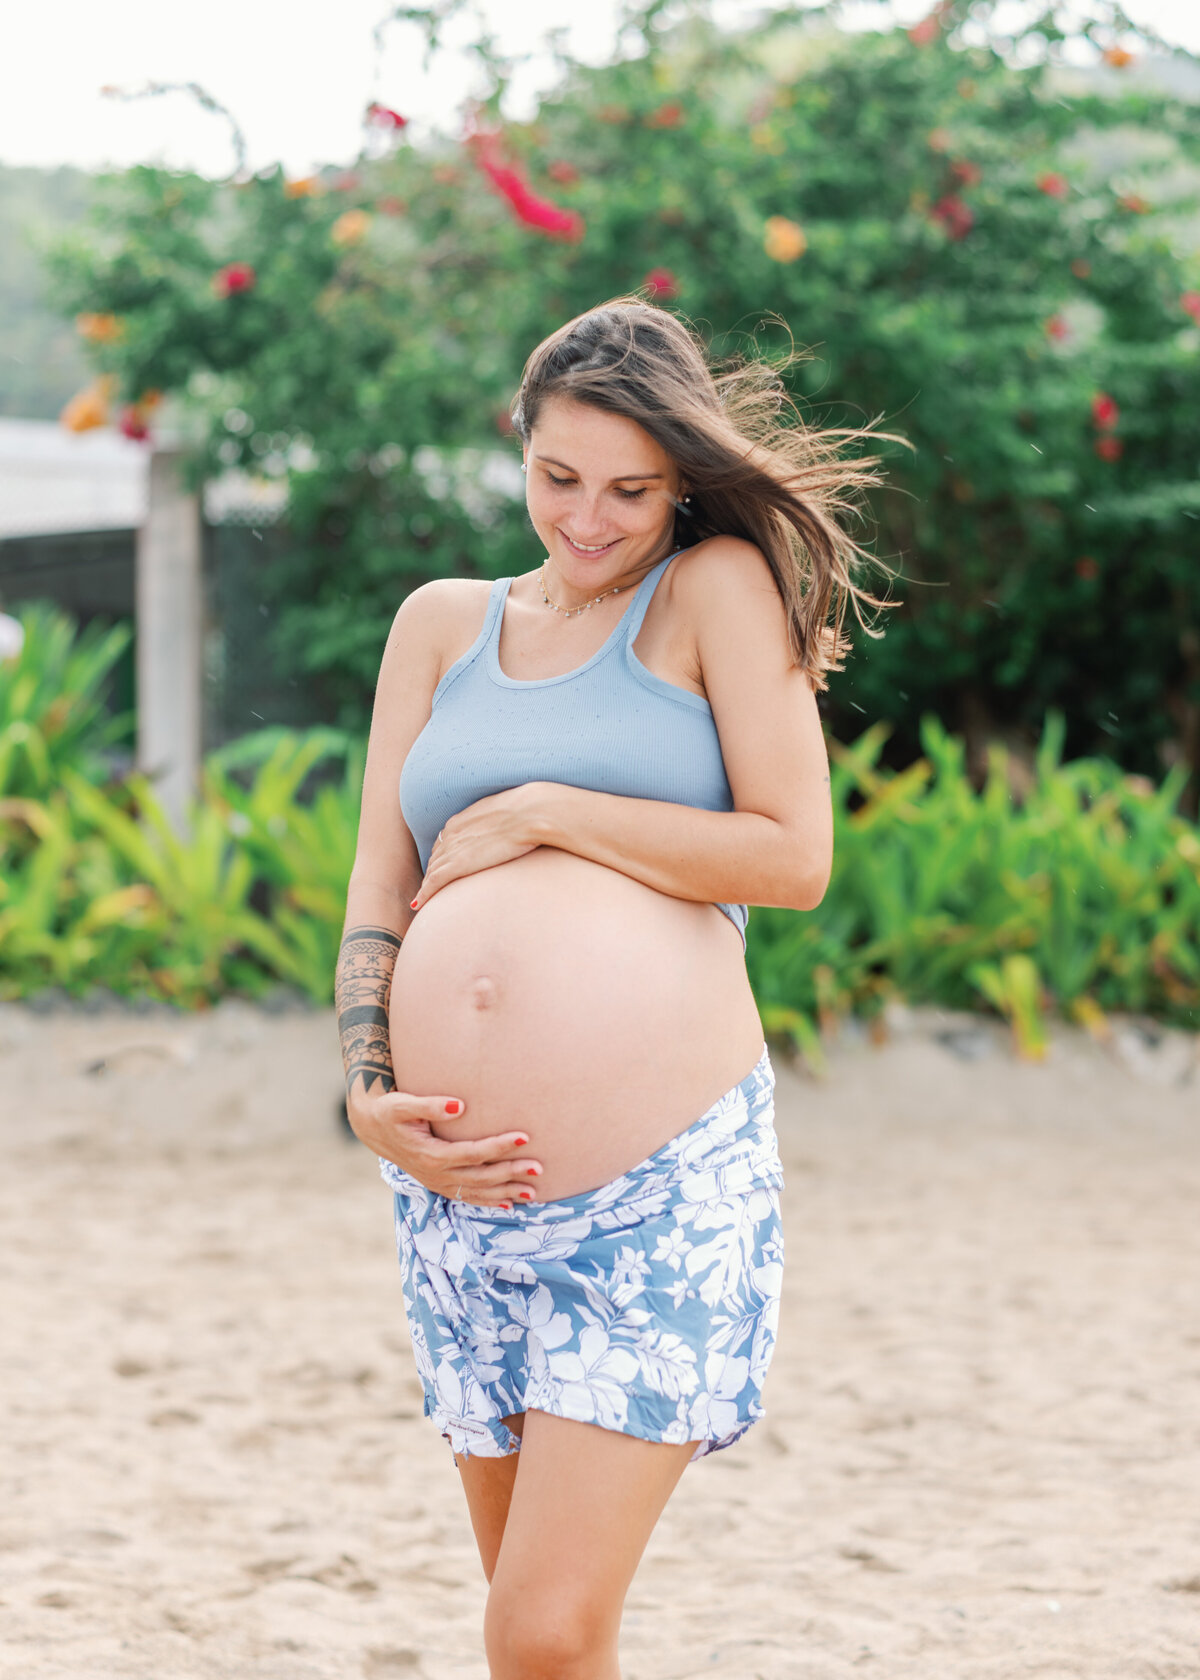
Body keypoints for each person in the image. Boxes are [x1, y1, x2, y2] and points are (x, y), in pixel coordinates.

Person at [336, 295, 895, 1679]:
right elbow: (379, 893)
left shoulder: (712, 593)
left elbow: (794, 855)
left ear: (682, 478)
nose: (589, 520)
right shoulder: (437, 625)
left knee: (542, 1629)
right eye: (558, 479)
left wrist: (548, 810)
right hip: (461, 1191)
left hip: (658, 1188)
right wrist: (364, 1094)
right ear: (519, 444)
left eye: (633, 491)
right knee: (538, 1644)